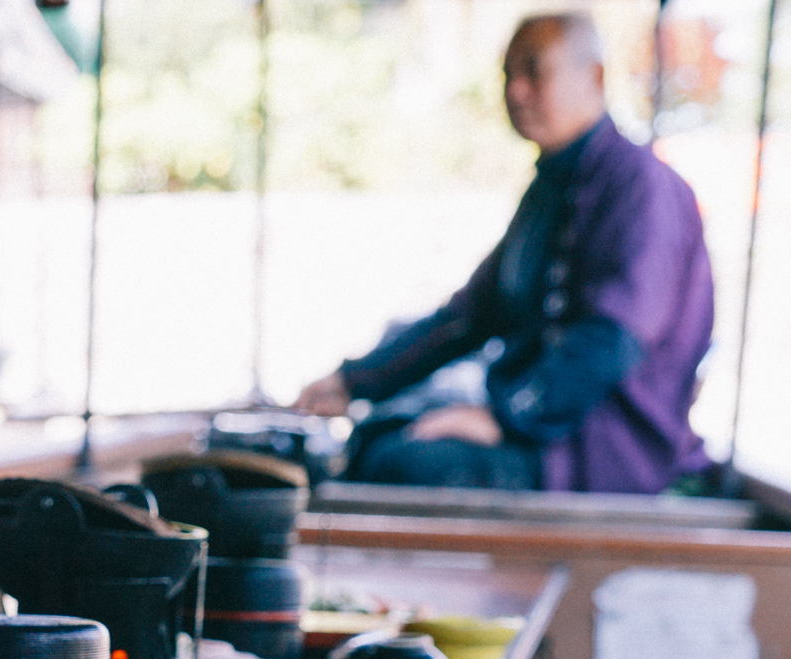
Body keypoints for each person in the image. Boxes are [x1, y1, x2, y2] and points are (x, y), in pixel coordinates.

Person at [293, 12, 715, 494]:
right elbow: (468, 318)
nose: (515, 91)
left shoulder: (642, 187)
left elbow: (612, 339)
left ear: (594, 77)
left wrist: (505, 418)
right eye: (507, 75)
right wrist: (355, 382)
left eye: (534, 71)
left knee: (402, 465)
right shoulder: (548, 191)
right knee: (368, 440)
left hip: (602, 454)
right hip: (538, 435)